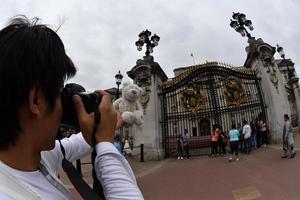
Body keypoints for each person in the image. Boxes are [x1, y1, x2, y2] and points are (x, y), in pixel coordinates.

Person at [0, 16, 143, 199]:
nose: (64, 104)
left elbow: (76, 142)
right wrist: (106, 145)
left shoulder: (37, 155)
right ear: (36, 101)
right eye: (60, 92)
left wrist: (107, 125)